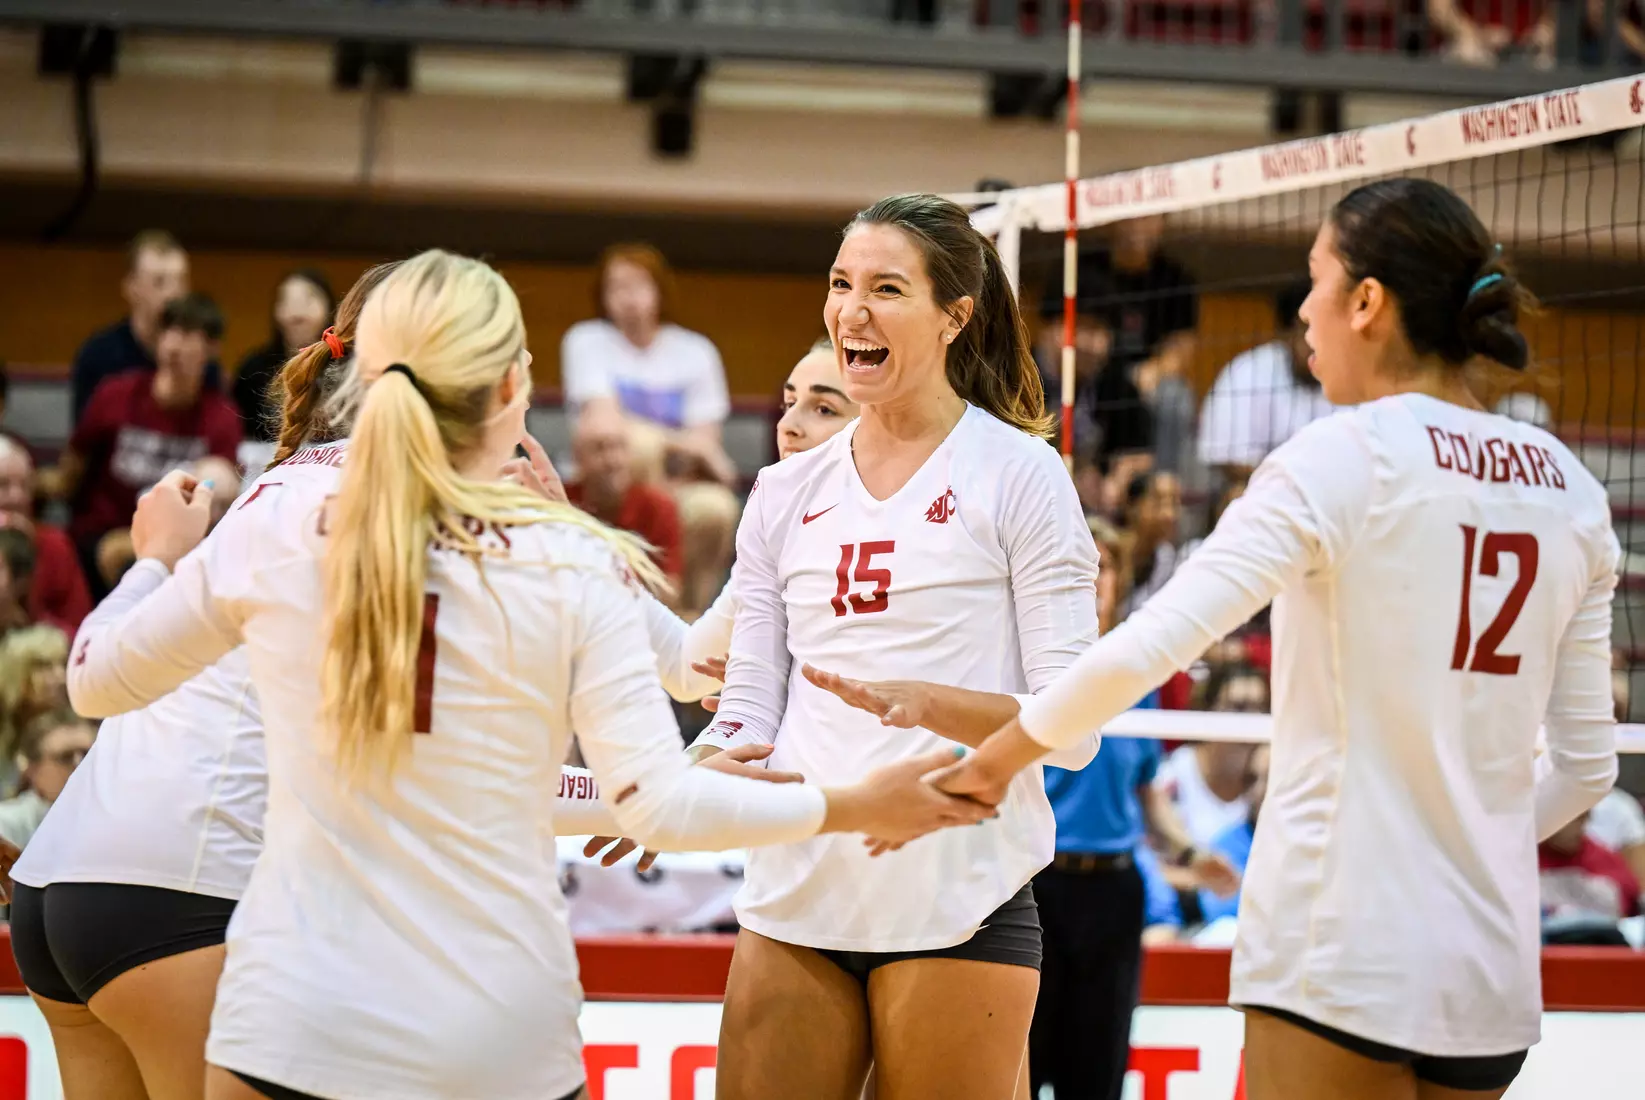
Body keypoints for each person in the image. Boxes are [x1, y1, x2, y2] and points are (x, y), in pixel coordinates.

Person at [62, 249, 990, 1100]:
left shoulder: (271, 516)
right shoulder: (564, 558)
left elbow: (94, 682)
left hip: (289, 1023)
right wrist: (854, 804)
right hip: (493, 1034)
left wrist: (152, 559)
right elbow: (657, 804)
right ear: (512, 388)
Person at [933, 177, 1621, 1100]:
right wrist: (1476, 843)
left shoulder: (1336, 456)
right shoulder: (1568, 486)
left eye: (1315, 279)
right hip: (1489, 967)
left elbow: (1150, 645)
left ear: (1367, 302)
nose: (1302, 310)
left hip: (1337, 944)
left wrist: (990, 762)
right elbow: (1586, 770)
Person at [691, 193, 1105, 1100]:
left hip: (956, 899)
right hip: (794, 892)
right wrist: (683, 785)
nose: (852, 311)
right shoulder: (781, 490)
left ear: (955, 315)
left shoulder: (1022, 476)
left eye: (886, 288)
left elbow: (1075, 730)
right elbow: (748, 707)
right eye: (841, 285)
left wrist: (932, 703)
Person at [561, 243, 740, 613]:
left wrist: (689, 453)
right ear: (603, 296)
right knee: (635, 442)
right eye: (617, 288)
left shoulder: (696, 351)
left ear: (660, 290)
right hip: (609, 485)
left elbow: (706, 446)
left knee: (716, 507)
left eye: (639, 286)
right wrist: (678, 443)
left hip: (677, 485)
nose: (629, 298)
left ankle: (689, 619)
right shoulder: (586, 340)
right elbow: (605, 429)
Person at [53, 293, 242, 596]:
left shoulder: (220, 417)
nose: (174, 345)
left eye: (188, 334)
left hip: (175, 541)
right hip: (102, 532)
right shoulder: (115, 394)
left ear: (212, 348)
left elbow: (218, 496)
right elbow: (72, 468)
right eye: (168, 331)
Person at [1197, 277, 1335, 487]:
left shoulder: (1355, 378)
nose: (1318, 343)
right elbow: (1230, 462)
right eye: (1309, 329)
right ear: (1287, 333)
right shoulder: (1247, 373)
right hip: (1263, 496)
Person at [70, 231, 219, 422]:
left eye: (180, 281)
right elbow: (85, 442)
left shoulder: (201, 358)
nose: (173, 294)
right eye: (160, 282)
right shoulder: (98, 356)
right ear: (131, 288)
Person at [566, 404, 684, 593]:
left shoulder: (658, 507)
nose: (613, 460)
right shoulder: (562, 503)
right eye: (599, 449)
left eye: (620, 446)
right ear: (578, 458)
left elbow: (670, 588)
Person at [233, 269, 335, 477]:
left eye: (309, 297)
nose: (298, 308)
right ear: (276, 311)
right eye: (287, 299)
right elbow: (240, 430)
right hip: (261, 464)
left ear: (328, 308)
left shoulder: (344, 367)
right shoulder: (253, 368)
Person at [0, 437, 92, 635]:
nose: (16, 497)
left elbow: (80, 631)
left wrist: (30, 620)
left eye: (25, 486)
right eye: (3, 485)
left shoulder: (54, 545)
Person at [0, 709, 94, 849]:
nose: (80, 764)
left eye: (87, 755)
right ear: (33, 770)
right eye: (66, 757)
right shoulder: (7, 825)